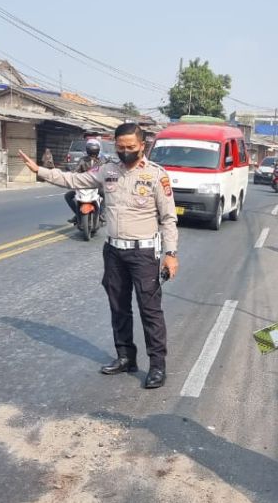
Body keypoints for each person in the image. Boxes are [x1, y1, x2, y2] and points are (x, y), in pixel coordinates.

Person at [19, 122, 178, 389]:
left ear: (142, 146)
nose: (126, 151)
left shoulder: (156, 175)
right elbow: (75, 180)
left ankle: (158, 366)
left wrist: (170, 254)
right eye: (121, 147)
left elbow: (168, 219)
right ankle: (126, 356)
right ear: (114, 146)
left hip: (144, 253)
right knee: (119, 307)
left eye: (131, 147)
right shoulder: (107, 170)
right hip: (114, 252)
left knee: (150, 311)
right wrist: (41, 171)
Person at [64, 138, 108, 224]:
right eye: (91, 148)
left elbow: (108, 171)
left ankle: (102, 213)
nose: (92, 151)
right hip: (84, 186)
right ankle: (77, 214)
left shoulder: (103, 160)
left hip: (97, 186)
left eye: (93, 149)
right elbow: (76, 171)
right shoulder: (83, 160)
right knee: (68, 196)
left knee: (106, 195)